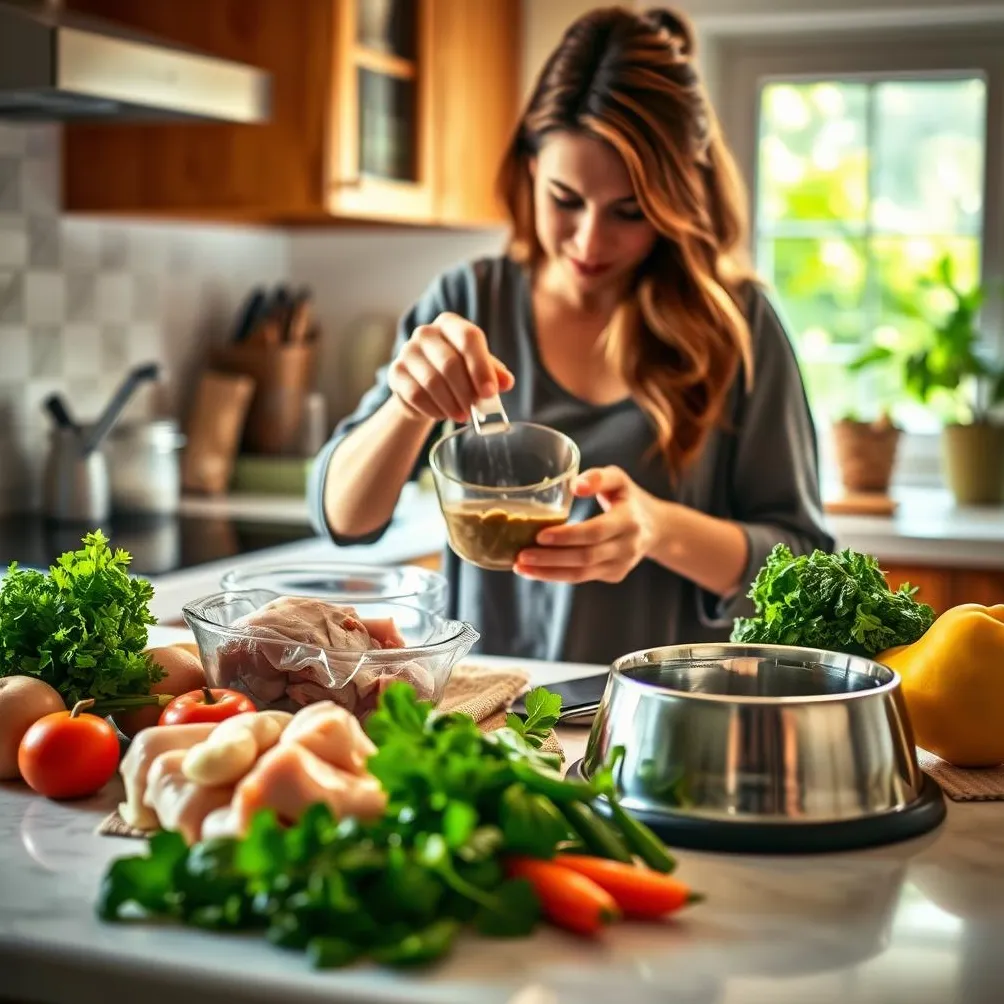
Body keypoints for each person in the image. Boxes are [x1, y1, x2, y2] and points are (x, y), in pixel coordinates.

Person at [308, 5, 834, 666]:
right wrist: (406, 407)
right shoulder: (469, 302)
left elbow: (805, 567)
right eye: (565, 200)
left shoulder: (739, 327)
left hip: (665, 714)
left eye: (628, 212)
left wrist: (658, 529)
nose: (589, 241)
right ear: (530, 166)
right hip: (492, 713)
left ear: (677, 200)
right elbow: (342, 518)